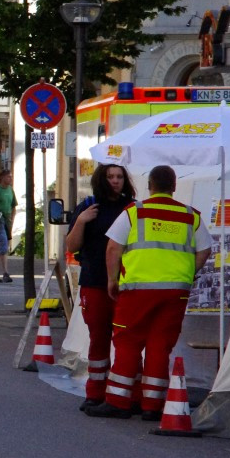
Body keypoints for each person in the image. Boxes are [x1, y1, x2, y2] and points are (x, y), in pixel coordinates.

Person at [86, 165, 211, 420]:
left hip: (137, 290)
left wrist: (112, 280)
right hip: (175, 292)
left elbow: (113, 248)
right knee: (159, 346)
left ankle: (118, 402)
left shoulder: (135, 212)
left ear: (150, 185)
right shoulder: (191, 216)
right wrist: (188, 273)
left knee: (128, 342)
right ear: (174, 187)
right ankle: (152, 406)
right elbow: (205, 250)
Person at [65, 163, 137, 413]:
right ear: (101, 179)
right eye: (110, 177)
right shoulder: (89, 206)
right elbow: (72, 246)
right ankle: (95, 392)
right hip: (94, 281)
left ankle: (127, 394)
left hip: (126, 284)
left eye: (119, 177)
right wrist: (81, 222)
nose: (115, 181)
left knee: (127, 339)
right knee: (98, 337)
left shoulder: (132, 208)